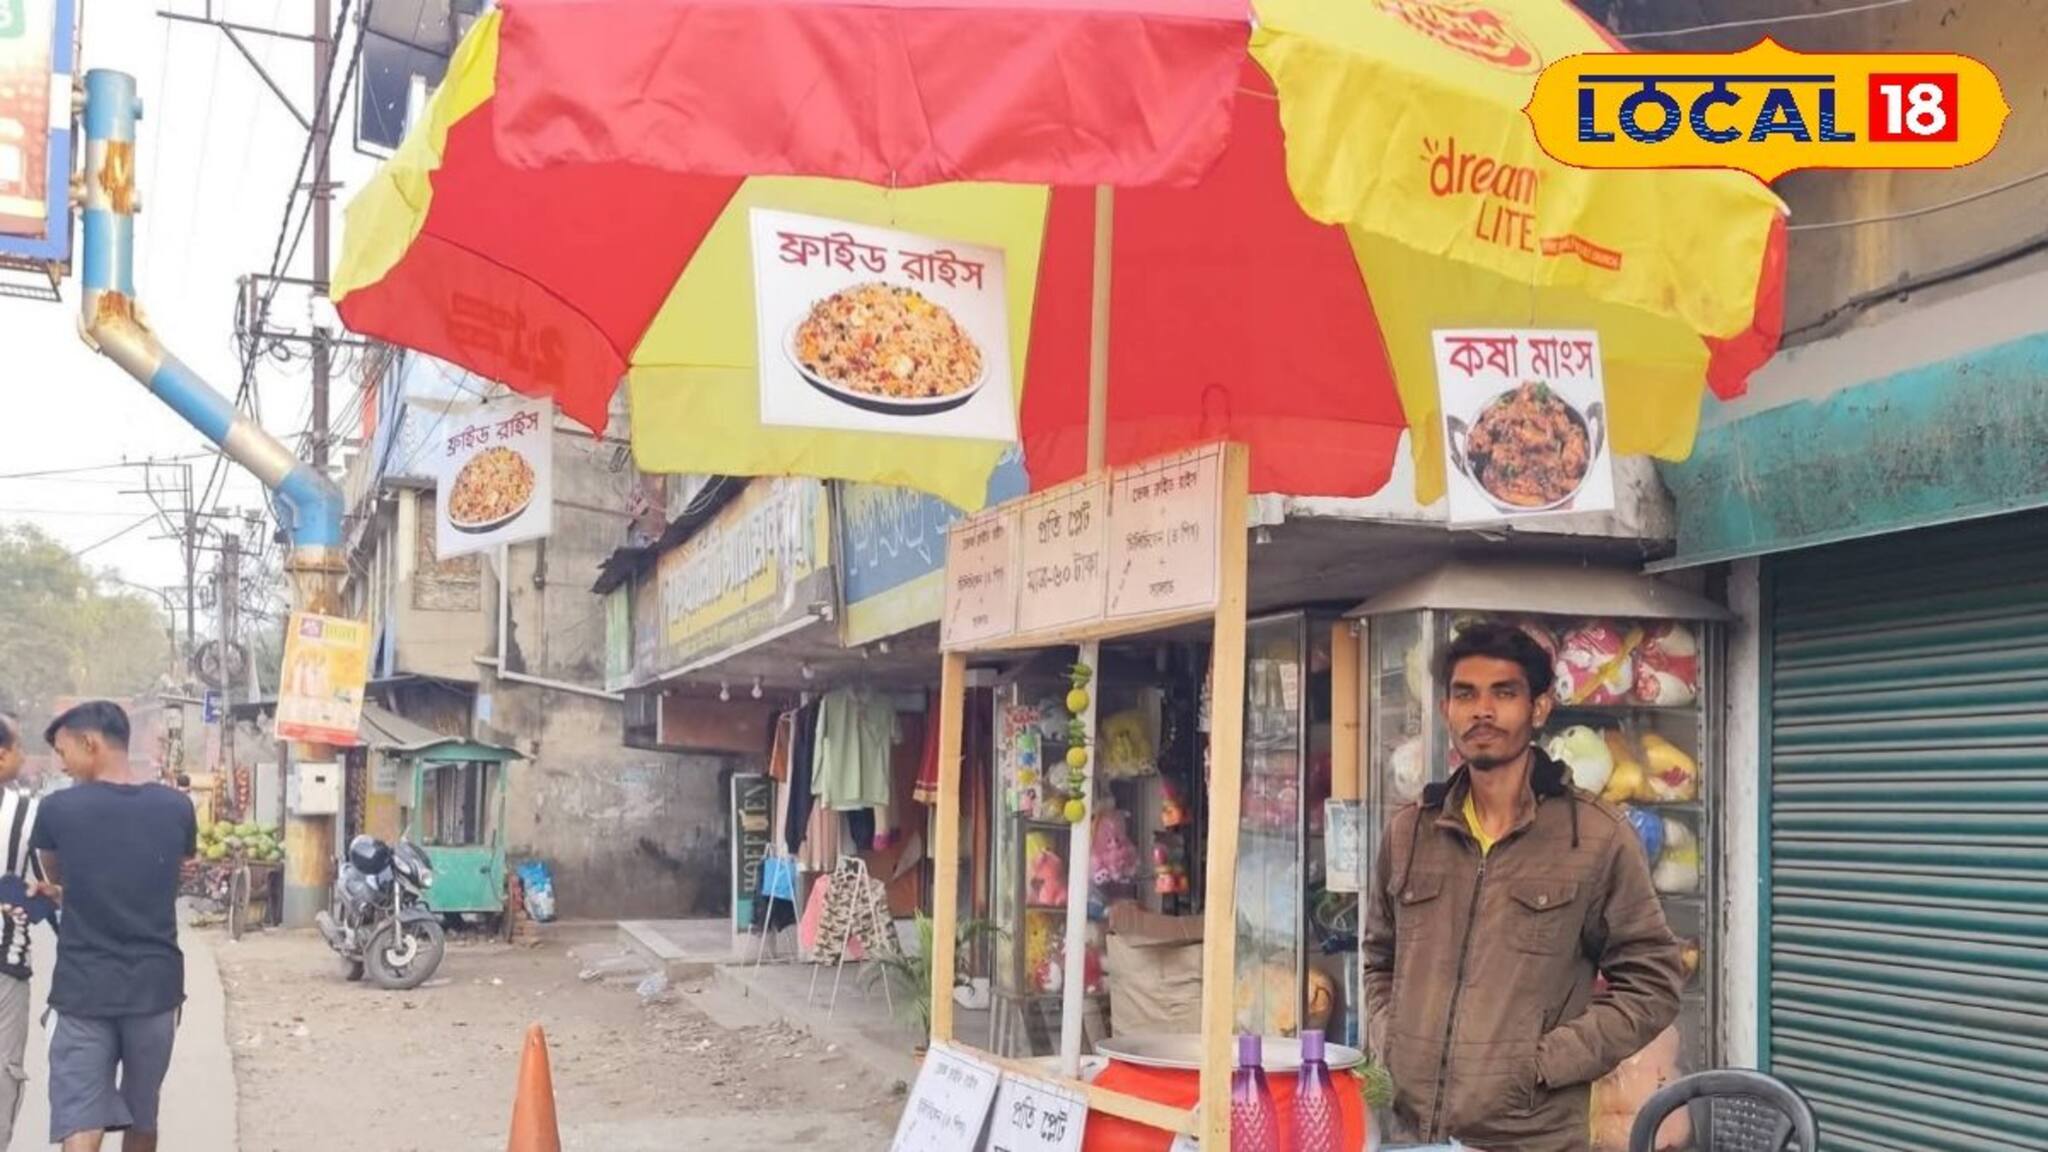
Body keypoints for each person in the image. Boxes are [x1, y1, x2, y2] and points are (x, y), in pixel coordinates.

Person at [1362, 622, 1683, 1152]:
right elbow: (1379, 957)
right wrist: (1391, 1036)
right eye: (1465, 694)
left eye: (1503, 693)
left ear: (1538, 709)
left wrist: (1543, 1063)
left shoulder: (1596, 836)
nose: (1481, 711)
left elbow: (1653, 983)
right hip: (1409, 1131)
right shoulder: (1410, 832)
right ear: (1446, 709)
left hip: (1530, 1136)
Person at [32, 701, 197, 1152]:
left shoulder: (58, 809)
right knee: (143, 1115)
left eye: (64, 753)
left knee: (80, 1122)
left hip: (84, 988)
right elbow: (168, 873)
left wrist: (62, 894)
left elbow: (59, 875)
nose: (62, 765)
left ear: (91, 743)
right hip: (155, 988)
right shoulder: (176, 807)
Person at [0, 714, 49, 1149]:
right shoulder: (26, 814)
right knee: (3, 1068)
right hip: (6, 962)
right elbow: (43, 887)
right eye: (18, 747)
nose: (23, 756)